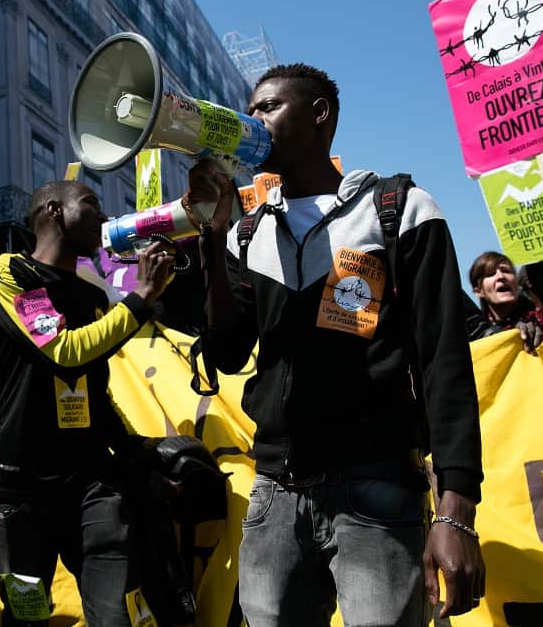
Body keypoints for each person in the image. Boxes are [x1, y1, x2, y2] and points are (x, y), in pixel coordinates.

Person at [184, 64, 485, 626]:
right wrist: (212, 238)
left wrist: (456, 510)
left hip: (375, 490)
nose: (253, 120)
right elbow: (226, 352)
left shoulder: (397, 210)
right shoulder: (251, 232)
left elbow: (444, 360)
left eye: (268, 107)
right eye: (249, 111)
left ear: (319, 115)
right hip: (275, 493)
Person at [0, 180, 175, 626]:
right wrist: (140, 298)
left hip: (92, 484)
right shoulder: (9, 273)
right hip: (20, 492)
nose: (104, 218)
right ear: (54, 210)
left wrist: (139, 455)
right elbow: (65, 352)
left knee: (119, 615)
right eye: (90, 204)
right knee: (27, 616)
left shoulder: (92, 296)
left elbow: (93, 391)